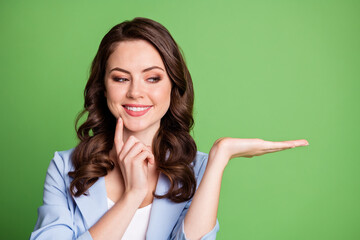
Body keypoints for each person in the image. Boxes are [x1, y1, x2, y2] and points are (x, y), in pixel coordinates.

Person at [30, 17, 308, 240]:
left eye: (152, 78)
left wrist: (220, 156)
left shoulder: (197, 170)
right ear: (103, 88)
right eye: (120, 78)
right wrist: (132, 197)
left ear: (173, 86)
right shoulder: (64, 167)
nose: (136, 93)